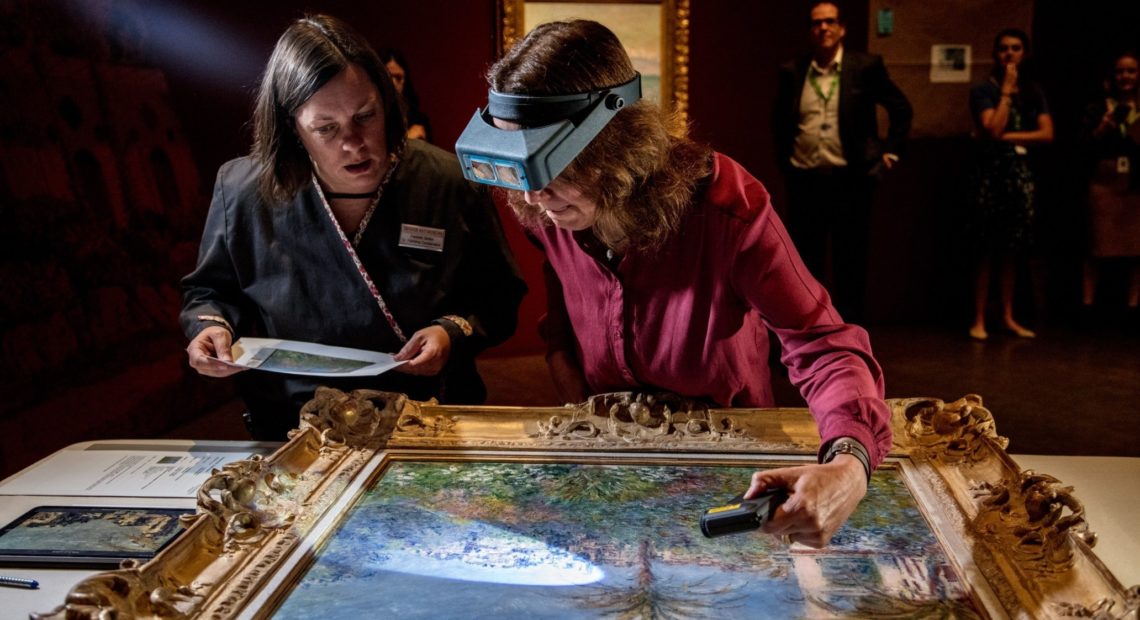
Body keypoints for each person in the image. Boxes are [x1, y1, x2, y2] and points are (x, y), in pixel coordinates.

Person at [455, 19, 892, 549]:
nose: (535, 195)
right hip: (606, 461)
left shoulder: (726, 206)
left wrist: (850, 463)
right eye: (517, 167)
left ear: (617, 141)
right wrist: (571, 388)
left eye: (552, 163)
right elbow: (564, 317)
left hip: (728, 461)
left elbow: (823, 343)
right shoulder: (549, 206)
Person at [181, 15, 526, 440]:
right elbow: (211, 292)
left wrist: (450, 332)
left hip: (431, 414)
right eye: (326, 129)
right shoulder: (242, 190)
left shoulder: (449, 181)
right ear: (292, 127)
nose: (354, 143)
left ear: (388, 101)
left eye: (366, 116)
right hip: (295, 425)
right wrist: (211, 328)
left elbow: (499, 296)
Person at [773, 1, 912, 324]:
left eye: (830, 21)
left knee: (850, 264)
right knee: (805, 266)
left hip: (851, 181)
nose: (823, 28)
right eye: (816, 22)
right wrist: (786, 164)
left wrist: (889, 153)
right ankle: (811, 338)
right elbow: (779, 123)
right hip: (806, 181)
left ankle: (849, 341)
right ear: (810, 29)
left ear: (842, 28)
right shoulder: (793, 71)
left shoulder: (864, 67)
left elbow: (901, 109)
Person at [966, 28, 1054, 340]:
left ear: (1024, 53)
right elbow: (992, 127)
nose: (1009, 54)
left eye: (1015, 48)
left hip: (1021, 176)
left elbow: (1046, 134)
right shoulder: (984, 90)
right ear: (995, 53)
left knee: (1012, 250)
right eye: (1003, 48)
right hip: (992, 176)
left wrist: (1008, 137)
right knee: (986, 249)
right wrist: (1005, 92)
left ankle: (1007, 315)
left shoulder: (1033, 92)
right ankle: (978, 318)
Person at [1081, 51, 1140, 316]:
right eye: (1120, 71)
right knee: (1097, 245)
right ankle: (1088, 306)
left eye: (1131, 71)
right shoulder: (1097, 107)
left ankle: (1132, 306)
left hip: (1135, 181)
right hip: (1104, 180)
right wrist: (1102, 129)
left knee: (1136, 247)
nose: (1125, 76)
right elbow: (1082, 146)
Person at [378, 48, 432, 142]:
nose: (393, 83)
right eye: (389, 77)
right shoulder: (370, 116)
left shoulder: (418, 118)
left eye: (398, 77)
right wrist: (408, 139)